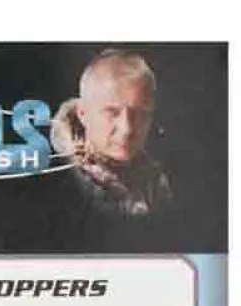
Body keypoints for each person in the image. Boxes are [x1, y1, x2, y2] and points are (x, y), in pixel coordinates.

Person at [52, 50, 172, 218]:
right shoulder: (56, 185)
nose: (127, 128)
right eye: (112, 112)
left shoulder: (158, 186)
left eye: (140, 114)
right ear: (83, 114)